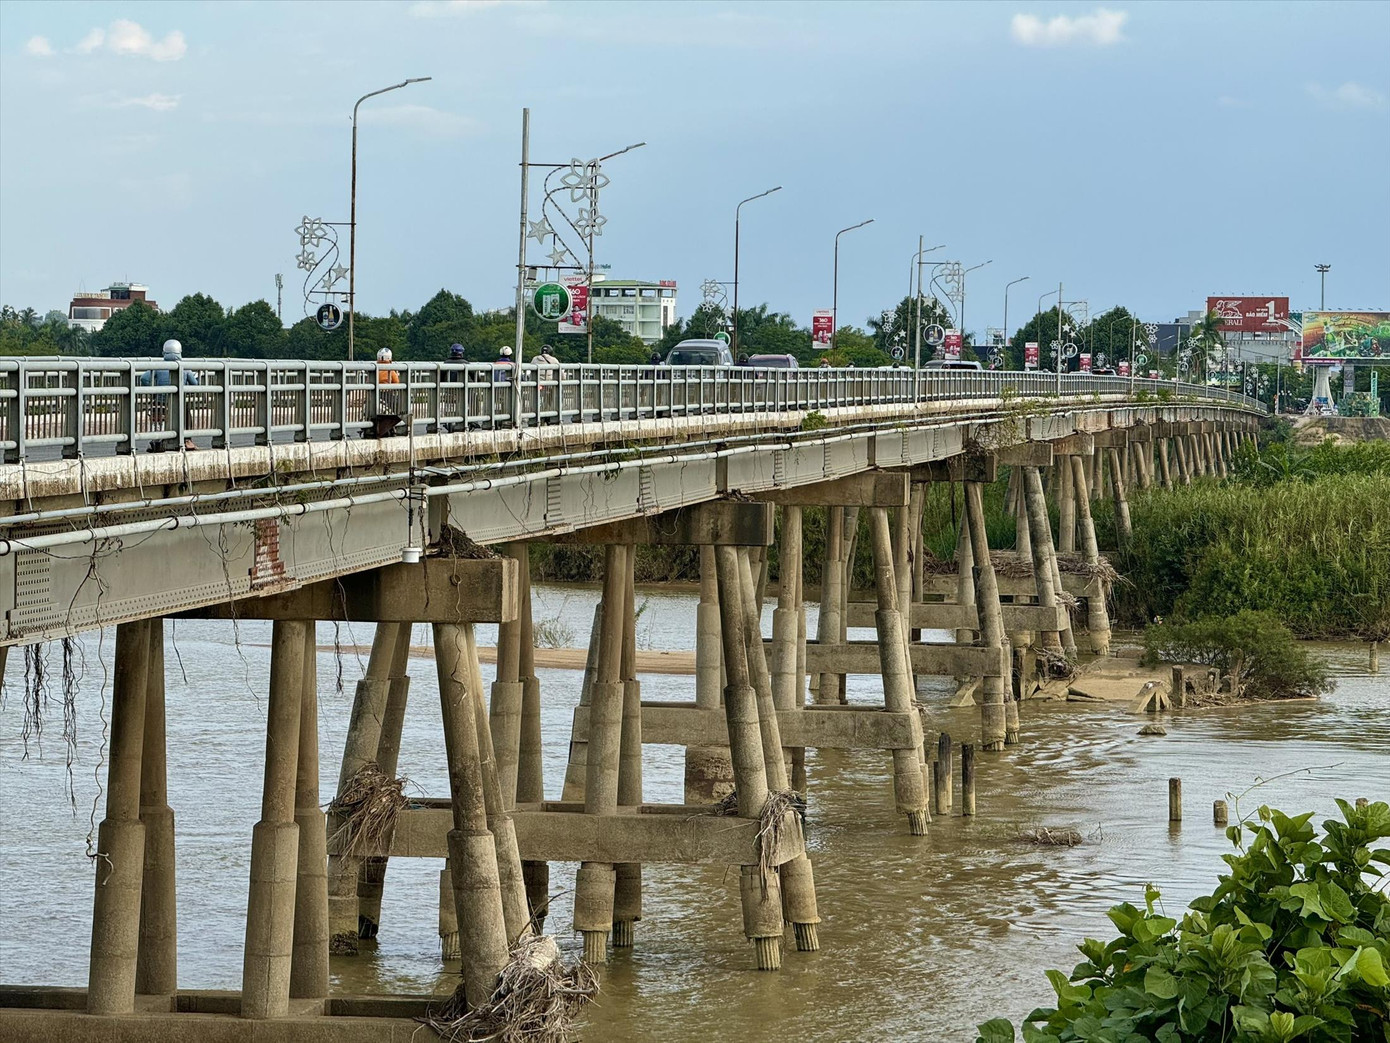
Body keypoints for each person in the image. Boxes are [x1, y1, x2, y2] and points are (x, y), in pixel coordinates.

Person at [138, 339, 198, 450]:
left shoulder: (158, 366)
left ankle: (155, 440)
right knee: (186, 414)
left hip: (160, 401)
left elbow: (144, 378)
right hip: (178, 402)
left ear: (164, 352)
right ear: (180, 351)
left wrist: (153, 390)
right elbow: (195, 384)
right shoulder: (185, 368)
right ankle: (187, 440)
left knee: (156, 416)